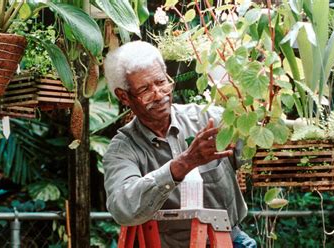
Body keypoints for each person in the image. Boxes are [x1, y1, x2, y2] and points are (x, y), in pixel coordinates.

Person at [103, 41, 256, 248]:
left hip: (229, 241)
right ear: (124, 96)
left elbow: (256, 147)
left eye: (161, 82)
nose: (159, 95)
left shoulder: (208, 119)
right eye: (145, 89)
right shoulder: (124, 149)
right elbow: (123, 207)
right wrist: (184, 164)